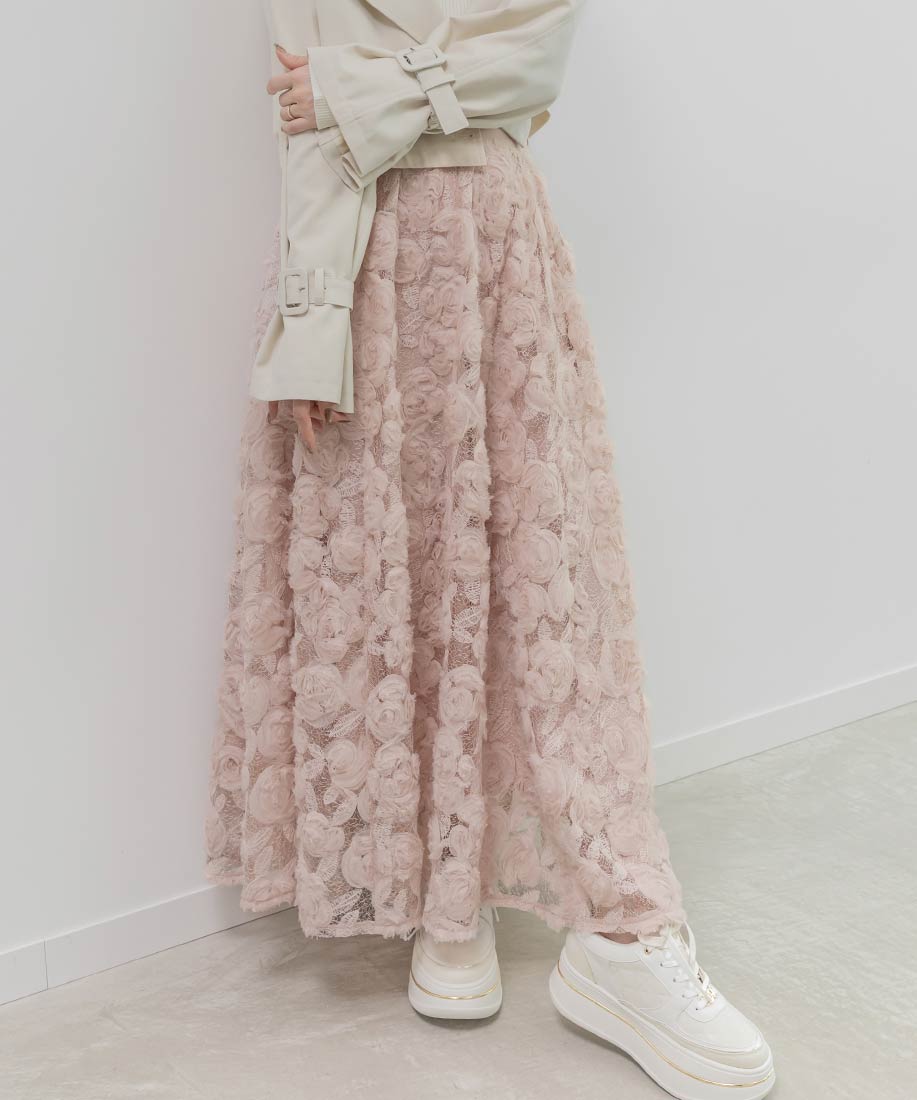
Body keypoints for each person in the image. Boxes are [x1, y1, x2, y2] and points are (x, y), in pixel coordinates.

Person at [206, 3, 775, 1097]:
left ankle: (621, 923)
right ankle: (444, 898)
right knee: (388, 575)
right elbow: (306, 122)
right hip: (365, 250)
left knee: (535, 575)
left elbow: (533, 64)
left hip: (497, 251)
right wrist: (311, 321)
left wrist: (361, 88)